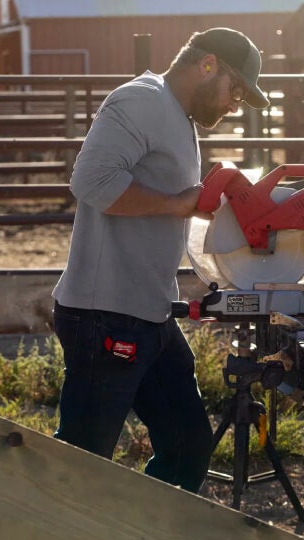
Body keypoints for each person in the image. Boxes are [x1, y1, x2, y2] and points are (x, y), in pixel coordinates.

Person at [51, 28, 270, 493]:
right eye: (236, 90)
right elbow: (92, 182)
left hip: (147, 312)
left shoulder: (176, 115)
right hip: (105, 314)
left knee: (188, 446)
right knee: (79, 465)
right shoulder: (142, 101)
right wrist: (181, 203)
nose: (234, 105)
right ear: (208, 64)